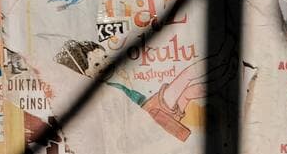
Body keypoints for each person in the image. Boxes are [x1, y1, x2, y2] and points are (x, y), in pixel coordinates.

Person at [55, 40, 206, 141]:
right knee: (187, 77)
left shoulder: (115, 81)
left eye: (105, 57)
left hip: (153, 113)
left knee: (191, 91)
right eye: (96, 65)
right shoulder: (103, 92)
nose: (105, 64)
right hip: (151, 112)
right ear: (86, 74)